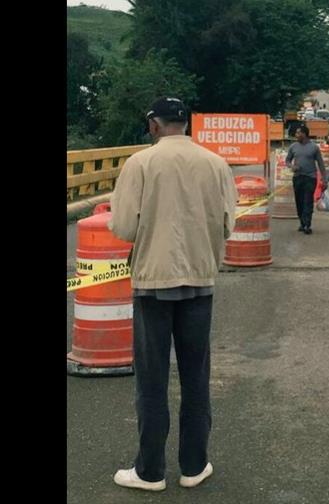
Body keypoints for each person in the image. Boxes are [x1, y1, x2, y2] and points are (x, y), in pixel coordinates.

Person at [109, 97, 237, 491]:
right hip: (200, 281)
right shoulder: (216, 164)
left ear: (153, 125)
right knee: (196, 376)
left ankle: (149, 471)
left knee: (152, 378)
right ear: (186, 124)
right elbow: (228, 224)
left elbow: (124, 227)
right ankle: (194, 466)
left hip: (152, 282)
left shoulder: (141, 164)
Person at [286, 125, 328, 234]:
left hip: (310, 178)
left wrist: (324, 179)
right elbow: (287, 161)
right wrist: (292, 166)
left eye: (298, 133)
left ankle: (307, 225)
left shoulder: (314, 147)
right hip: (298, 177)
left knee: (308, 201)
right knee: (299, 201)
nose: (296, 135)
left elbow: (321, 164)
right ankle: (302, 222)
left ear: (304, 134)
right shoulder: (293, 147)